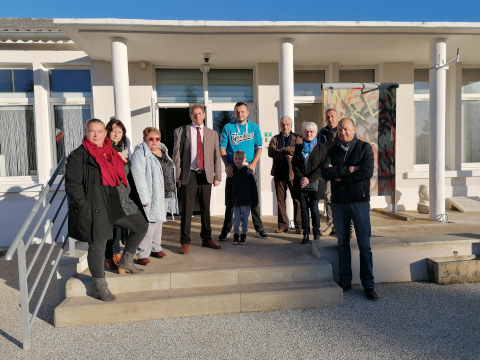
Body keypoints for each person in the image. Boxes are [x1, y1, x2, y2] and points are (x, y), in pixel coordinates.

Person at [65, 119, 148, 302]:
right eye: (92, 131)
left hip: (118, 204)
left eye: (100, 131)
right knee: (98, 246)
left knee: (141, 226)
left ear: (105, 133)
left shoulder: (111, 152)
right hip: (96, 207)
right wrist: (84, 207)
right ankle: (100, 287)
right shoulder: (78, 156)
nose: (96, 135)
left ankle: (126, 260)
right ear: (86, 132)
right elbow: (73, 185)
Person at [321, 118, 378, 301]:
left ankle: (368, 284)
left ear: (354, 129)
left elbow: (366, 172)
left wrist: (340, 175)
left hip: (359, 201)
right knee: (342, 244)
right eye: (339, 129)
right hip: (338, 203)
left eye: (345, 129)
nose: (342, 132)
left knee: (364, 245)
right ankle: (345, 281)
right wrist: (350, 169)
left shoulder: (364, 148)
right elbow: (325, 172)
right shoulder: (332, 150)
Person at [172, 104, 222, 255]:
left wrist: (217, 176)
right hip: (189, 174)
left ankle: (206, 238)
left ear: (204, 115)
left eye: (199, 113)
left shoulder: (212, 134)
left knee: (206, 208)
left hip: (206, 174)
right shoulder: (181, 131)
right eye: (194, 114)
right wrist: (178, 175)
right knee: (187, 209)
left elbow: (216, 156)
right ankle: (185, 241)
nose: (197, 116)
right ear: (190, 116)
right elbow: (177, 155)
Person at [218, 101, 268, 241]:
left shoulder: (254, 128)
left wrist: (253, 164)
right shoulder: (228, 127)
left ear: (247, 113)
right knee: (230, 199)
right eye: (237, 111)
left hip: (248, 168)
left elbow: (259, 147)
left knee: (253, 199)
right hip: (233, 169)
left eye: (242, 111)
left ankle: (259, 228)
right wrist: (227, 165)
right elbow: (222, 148)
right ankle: (226, 229)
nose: (240, 114)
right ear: (234, 113)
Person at [131, 127, 178, 265]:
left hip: (166, 194)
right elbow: (138, 177)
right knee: (150, 224)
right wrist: (145, 198)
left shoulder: (163, 151)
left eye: (157, 138)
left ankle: (156, 247)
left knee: (159, 222)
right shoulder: (141, 154)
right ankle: (142, 254)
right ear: (144, 139)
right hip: (152, 196)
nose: (154, 141)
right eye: (150, 139)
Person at [292, 122, 327, 244]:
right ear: (303, 133)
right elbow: (294, 165)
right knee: (303, 209)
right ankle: (306, 234)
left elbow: (323, 166)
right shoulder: (298, 147)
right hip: (301, 183)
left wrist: (309, 179)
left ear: (315, 133)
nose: (309, 133)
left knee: (314, 209)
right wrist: (302, 177)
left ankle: (316, 234)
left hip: (315, 184)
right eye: (306, 131)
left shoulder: (322, 147)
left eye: (311, 131)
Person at [268, 116, 303, 233]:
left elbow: (298, 150)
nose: (285, 126)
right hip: (279, 173)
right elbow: (271, 152)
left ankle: (299, 225)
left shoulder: (297, 138)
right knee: (280, 201)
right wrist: (286, 155)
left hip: (293, 174)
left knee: (297, 199)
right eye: (283, 124)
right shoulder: (275, 138)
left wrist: (282, 149)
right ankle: (282, 225)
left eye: (287, 124)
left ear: (291, 125)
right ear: (280, 125)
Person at [103, 118, 129, 270]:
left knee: (118, 225)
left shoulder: (120, 148)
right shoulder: (106, 148)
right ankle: (109, 256)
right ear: (108, 131)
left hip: (120, 192)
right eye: (114, 131)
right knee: (111, 226)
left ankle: (115, 253)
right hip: (109, 192)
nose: (117, 134)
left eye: (120, 132)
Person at [225, 150, 258, 245]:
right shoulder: (231, 171)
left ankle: (243, 235)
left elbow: (253, 188)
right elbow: (228, 188)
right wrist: (228, 202)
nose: (237, 160)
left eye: (240, 159)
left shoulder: (248, 171)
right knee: (236, 219)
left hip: (246, 201)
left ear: (244, 159)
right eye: (235, 158)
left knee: (244, 219)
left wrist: (255, 201)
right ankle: (236, 235)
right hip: (235, 201)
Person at [316, 109, 340, 236]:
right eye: (328, 117)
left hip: (343, 171)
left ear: (338, 117)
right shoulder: (321, 133)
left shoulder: (344, 129)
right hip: (328, 171)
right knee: (329, 197)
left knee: (345, 198)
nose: (330, 119)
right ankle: (331, 225)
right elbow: (318, 151)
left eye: (332, 116)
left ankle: (348, 226)